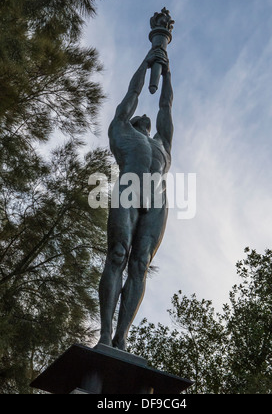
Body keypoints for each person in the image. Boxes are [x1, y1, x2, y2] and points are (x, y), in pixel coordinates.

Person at [98, 48, 174, 350]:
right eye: (139, 114)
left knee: (140, 263)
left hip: (157, 196)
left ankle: (122, 335)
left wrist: (166, 72)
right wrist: (147, 61)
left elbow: (166, 105)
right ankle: (105, 332)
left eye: (148, 117)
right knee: (118, 254)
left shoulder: (162, 144)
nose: (145, 116)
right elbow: (133, 91)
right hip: (129, 183)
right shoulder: (120, 127)